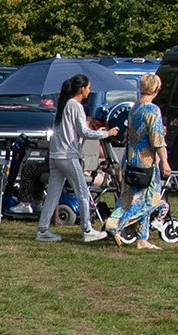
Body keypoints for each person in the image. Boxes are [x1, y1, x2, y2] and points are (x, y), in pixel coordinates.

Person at [36, 74, 118, 242]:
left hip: (56, 155)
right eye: (88, 88)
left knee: (53, 194)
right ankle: (87, 229)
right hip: (68, 155)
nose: (89, 91)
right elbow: (83, 132)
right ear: (82, 88)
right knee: (82, 190)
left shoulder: (64, 104)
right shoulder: (75, 105)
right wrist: (106, 133)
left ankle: (43, 229)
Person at [106, 73, 170, 250]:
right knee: (151, 200)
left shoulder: (134, 108)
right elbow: (157, 139)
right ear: (156, 89)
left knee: (131, 197)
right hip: (146, 161)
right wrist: (164, 161)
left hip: (131, 160)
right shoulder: (152, 110)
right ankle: (115, 224)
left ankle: (142, 239)